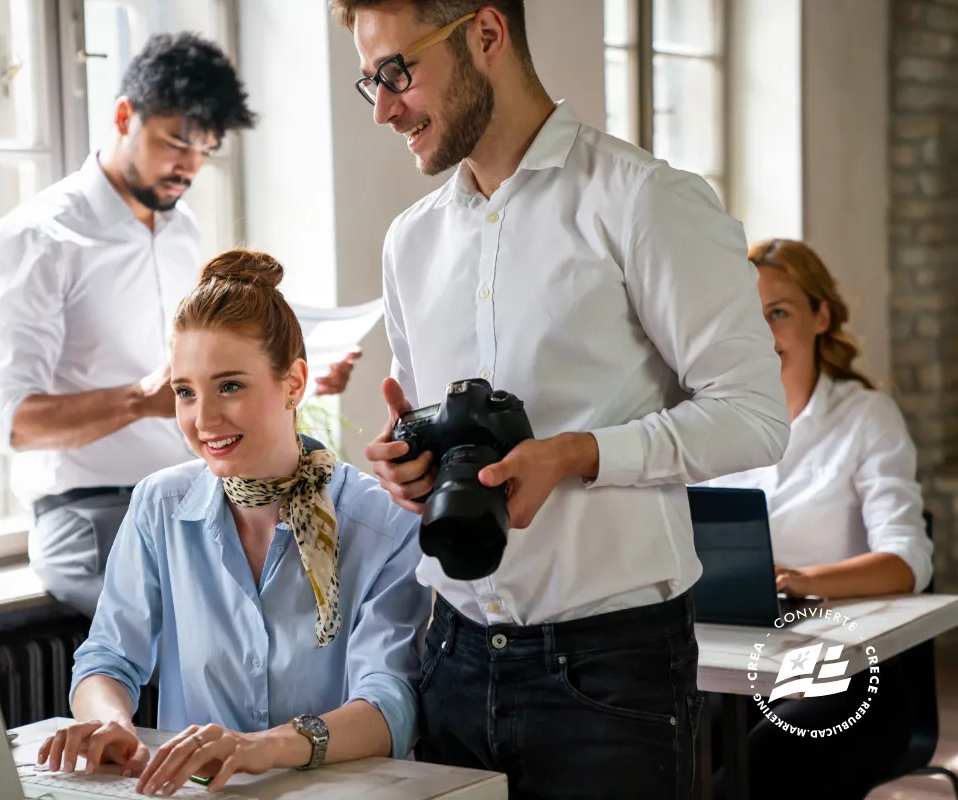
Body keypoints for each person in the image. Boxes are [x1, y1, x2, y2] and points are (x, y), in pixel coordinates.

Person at [332, 2, 791, 797]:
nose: (384, 108)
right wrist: (406, 463)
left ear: (486, 34)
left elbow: (755, 415)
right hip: (451, 654)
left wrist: (580, 454)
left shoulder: (646, 201)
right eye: (369, 80)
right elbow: (427, 424)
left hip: (612, 674)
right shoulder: (411, 241)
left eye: (398, 72)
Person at [0, 33, 360, 618]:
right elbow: (16, 425)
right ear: (124, 116)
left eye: (205, 149)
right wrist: (140, 401)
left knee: (330, 598)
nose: (190, 166)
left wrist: (284, 381)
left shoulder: (180, 232)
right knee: (213, 628)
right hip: (90, 513)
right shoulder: (39, 240)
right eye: (176, 142)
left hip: (200, 493)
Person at [34, 249, 428, 795]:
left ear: (294, 383)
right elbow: (108, 656)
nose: (204, 419)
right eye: (184, 392)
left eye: (230, 386)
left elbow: (389, 704)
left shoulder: (385, 522)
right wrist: (110, 720)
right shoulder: (159, 505)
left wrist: (261, 748)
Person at [702, 239, 933, 800]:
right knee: (662, 745)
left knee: (754, 771)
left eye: (778, 313)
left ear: (821, 315)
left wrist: (802, 581)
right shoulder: (714, 425)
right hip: (740, 664)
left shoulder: (866, 416)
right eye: (748, 318)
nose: (763, 334)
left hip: (856, 673)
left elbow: (908, 561)